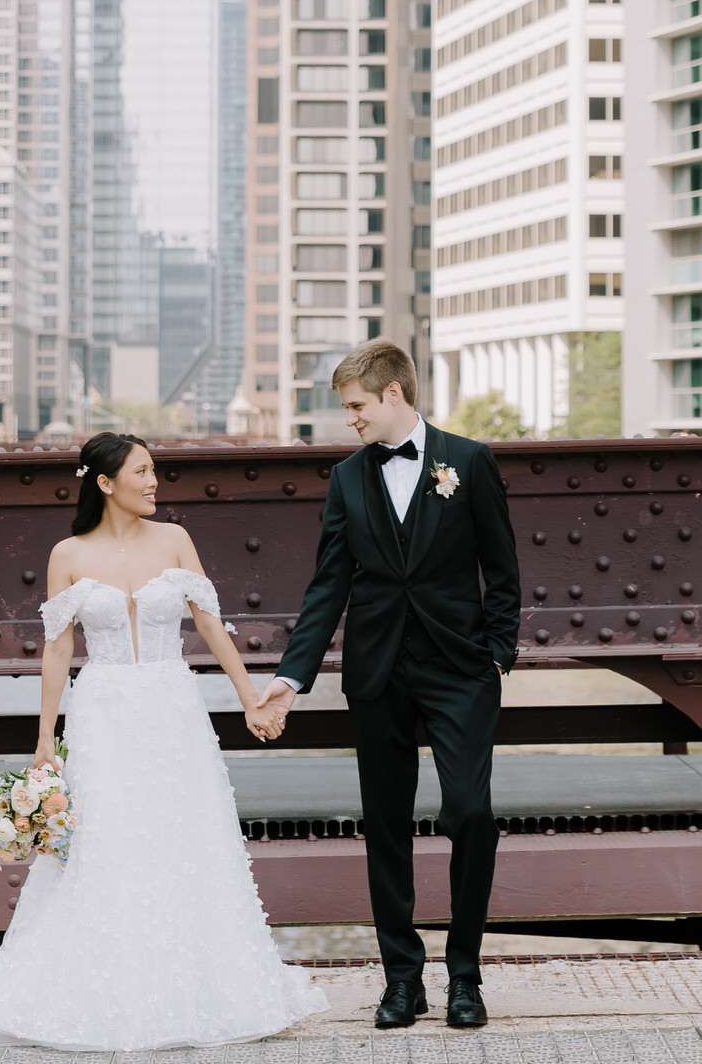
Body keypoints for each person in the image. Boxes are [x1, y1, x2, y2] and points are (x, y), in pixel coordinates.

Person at [0, 431, 329, 1050]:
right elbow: (58, 648)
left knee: (187, 835)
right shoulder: (68, 554)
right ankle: (106, 988)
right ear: (105, 483)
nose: (154, 481)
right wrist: (45, 738)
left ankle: (204, 986)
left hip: (172, 706)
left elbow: (211, 625)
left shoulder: (176, 540)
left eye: (155, 470)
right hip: (103, 709)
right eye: (143, 471)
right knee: (107, 842)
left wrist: (250, 698)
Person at [258, 340, 521, 1029]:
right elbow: (329, 586)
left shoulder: (467, 461)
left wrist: (498, 653)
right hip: (376, 672)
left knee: (470, 812)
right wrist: (292, 677)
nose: (351, 420)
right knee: (385, 828)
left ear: (394, 395)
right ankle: (402, 980)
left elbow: (503, 566)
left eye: (356, 407)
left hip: (460, 669)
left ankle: (465, 975)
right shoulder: (347, 478)